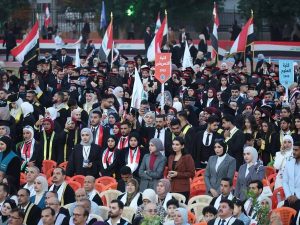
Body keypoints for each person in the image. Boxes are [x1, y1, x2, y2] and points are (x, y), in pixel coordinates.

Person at [167, 137, 195, 201]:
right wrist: (168, 176)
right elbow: (169, 170)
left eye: (177, 145)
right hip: (171, 187)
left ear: (182, 146)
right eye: (173, 144)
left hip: (183, 188)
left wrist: (177, 174)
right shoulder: (171, 157)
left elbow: (191, 173)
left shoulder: (187, 157)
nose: (174, 146)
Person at [282, 141, 300, 212]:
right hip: (289, 198)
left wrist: (297, 196)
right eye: (293, 149)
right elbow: (284, 181)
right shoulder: (289, 163)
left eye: (296, 150)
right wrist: (289, 195)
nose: (294, 152)